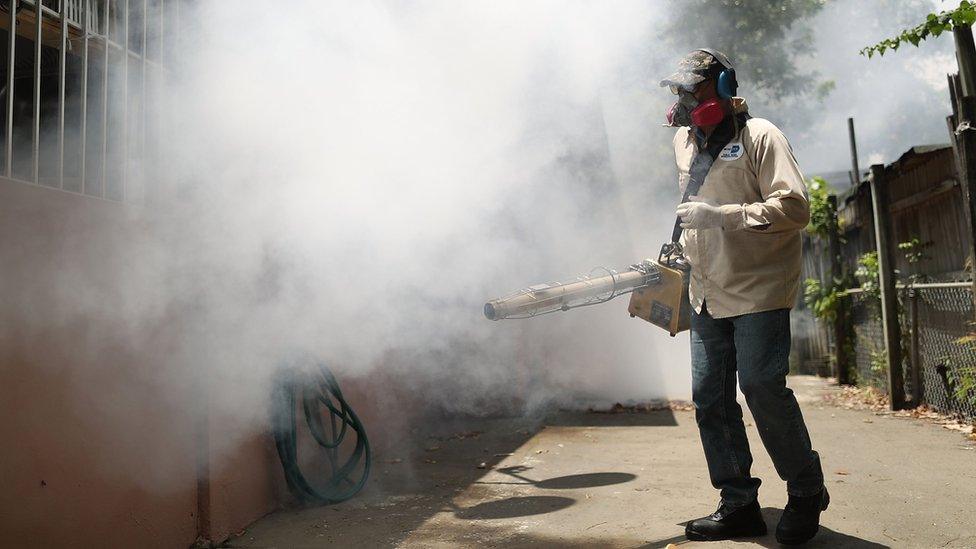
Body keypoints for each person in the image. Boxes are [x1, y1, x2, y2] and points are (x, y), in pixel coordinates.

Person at [659, 49, 828, 545]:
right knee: (710, 398)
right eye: (679, 92)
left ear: (725, 85)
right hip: (706, 292)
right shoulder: (683, 144)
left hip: (758, 289)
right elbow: (692, 211)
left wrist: (725, 215)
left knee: (760, 388)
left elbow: (795, 208)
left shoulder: (762, 136)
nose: (686, 101)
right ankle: (738, 504)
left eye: (694, 89)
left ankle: (805, 490)